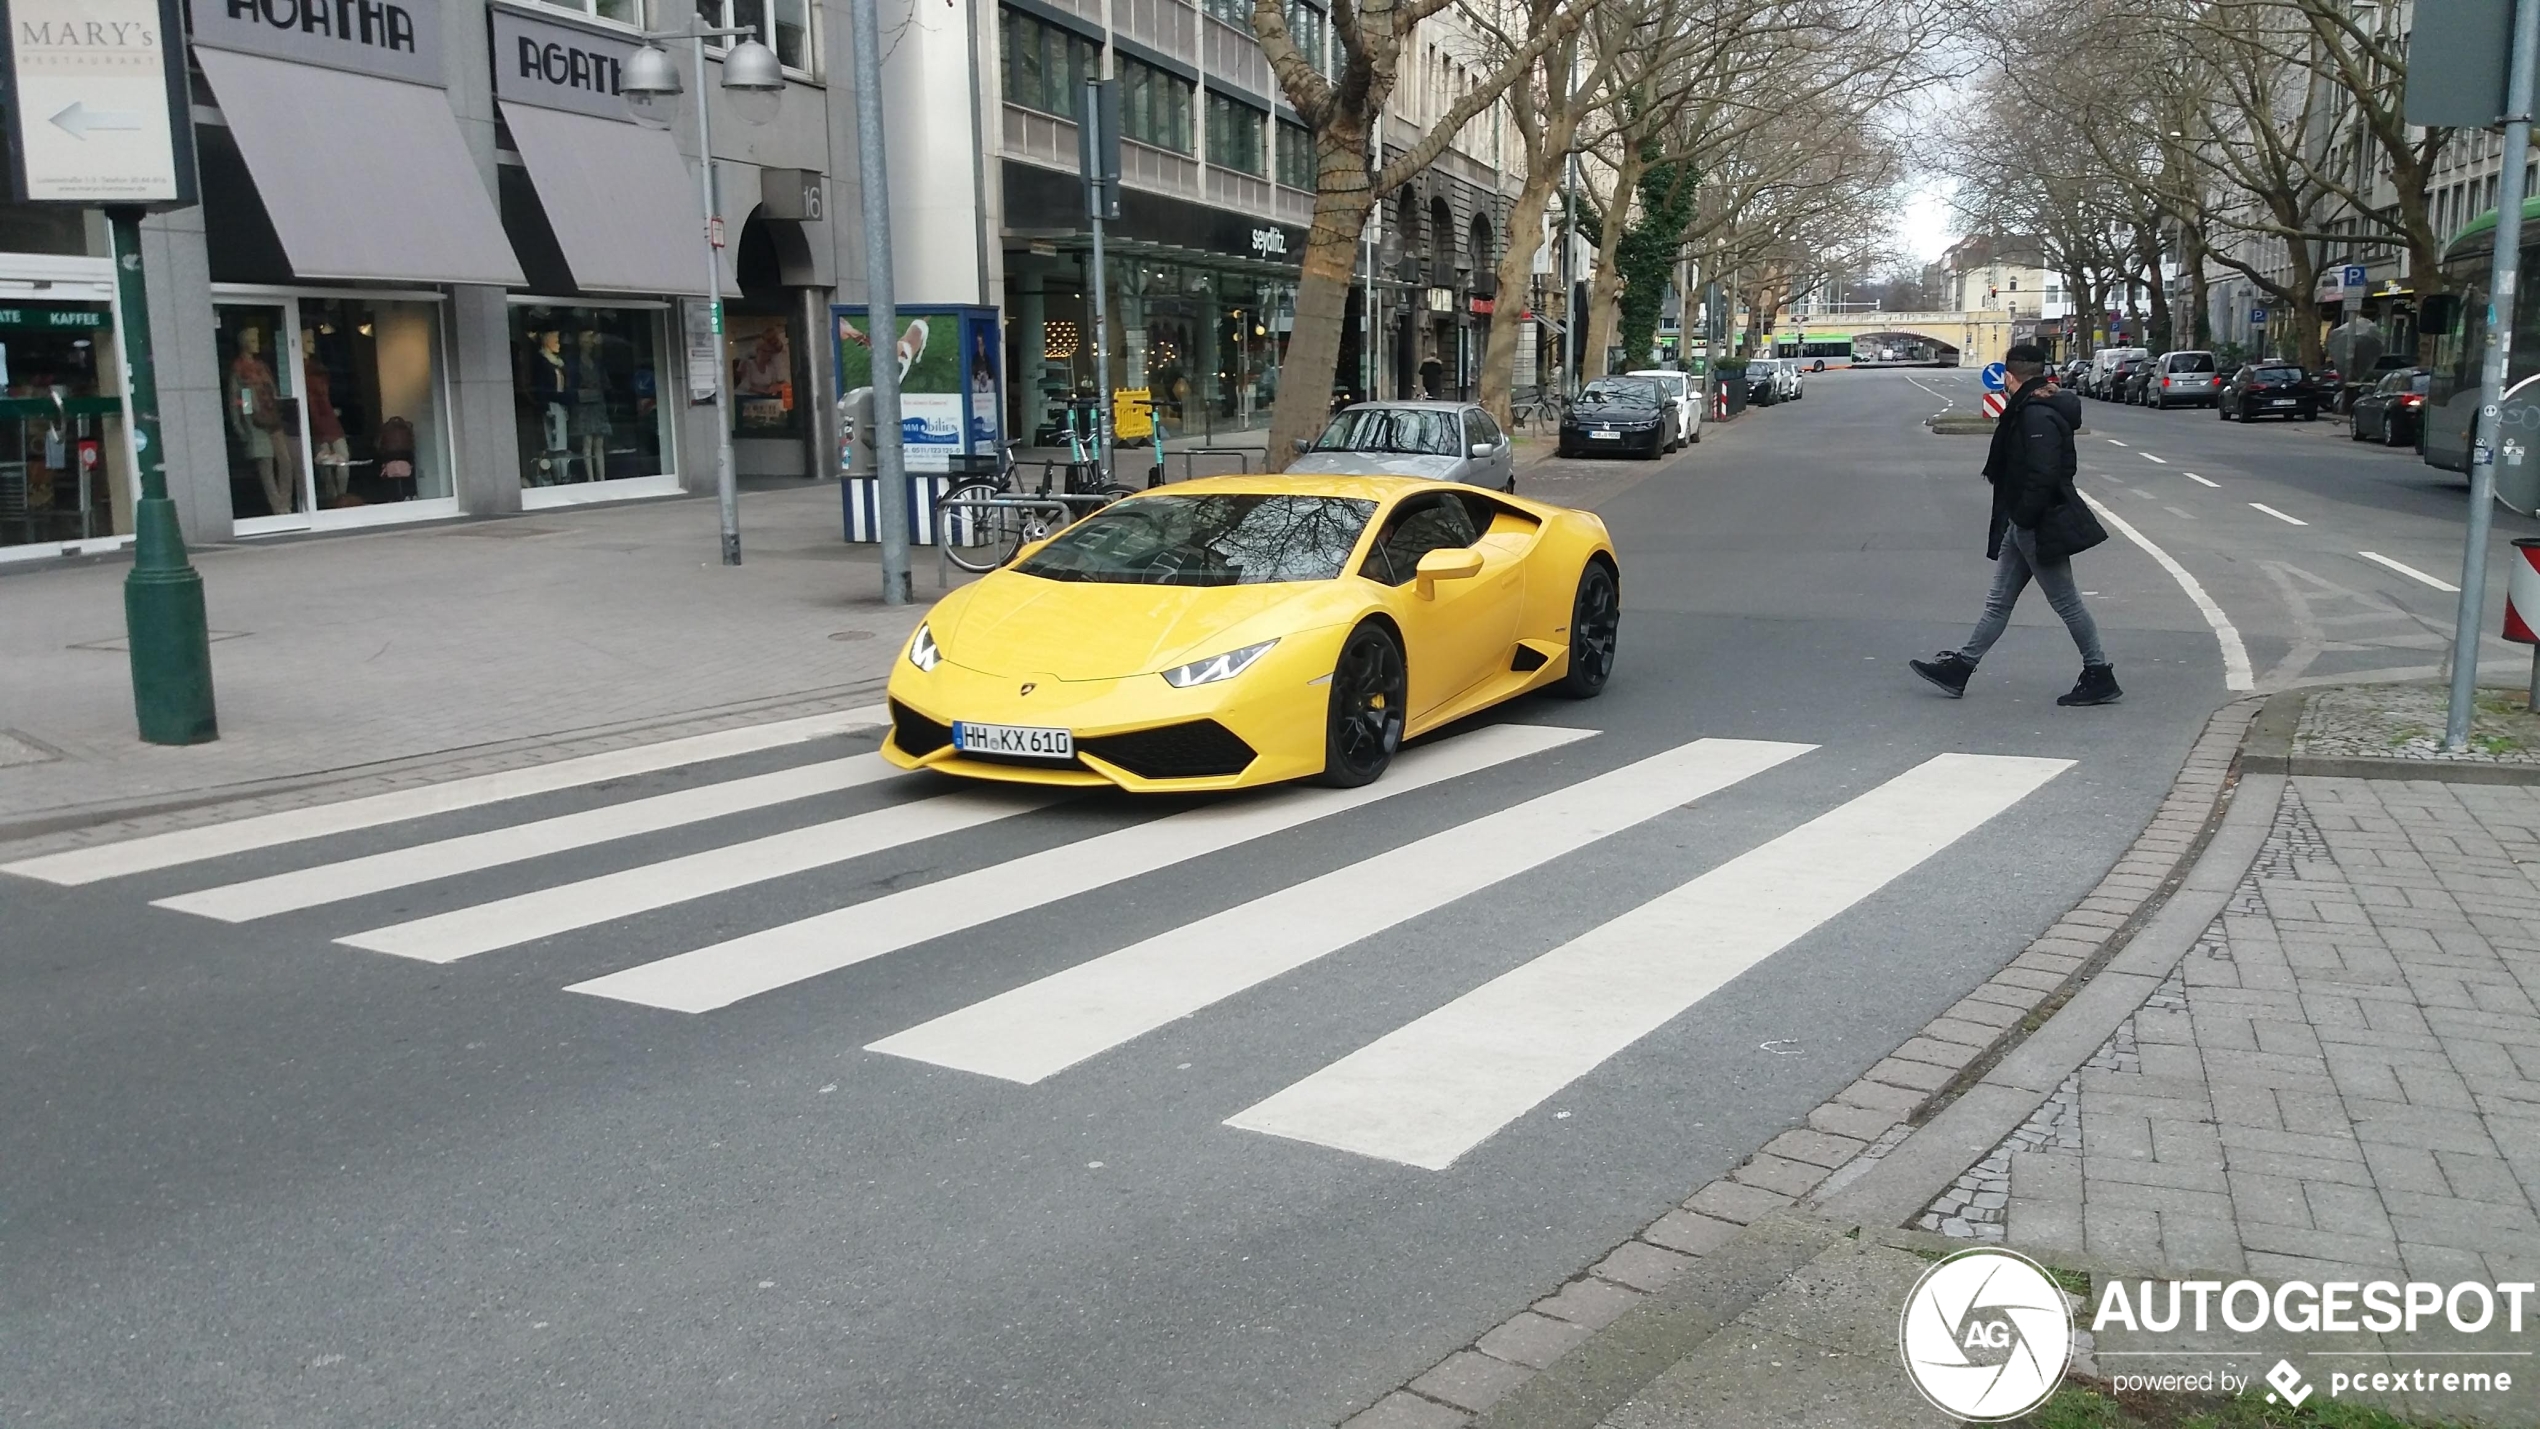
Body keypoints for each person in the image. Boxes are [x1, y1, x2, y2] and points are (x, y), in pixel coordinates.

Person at [1911, 344, 2121, 706]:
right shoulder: (2033, 408)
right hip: (2023, 522)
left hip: (2037, 522)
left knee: (2066, 602)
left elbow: (2044, 472)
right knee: (1999, 602)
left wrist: (2023, 517)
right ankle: (1961, 667)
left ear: (2010, 376)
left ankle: (2099, 672)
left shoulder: (2034, 415)